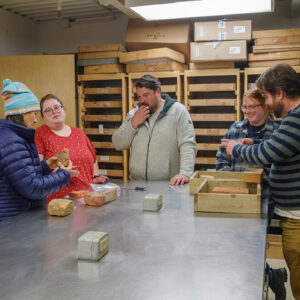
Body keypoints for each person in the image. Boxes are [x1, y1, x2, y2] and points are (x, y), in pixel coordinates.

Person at [220, 64, 300, 300]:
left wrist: (235, 149)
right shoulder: (292, 119)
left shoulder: (295, 119)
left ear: (280, 93)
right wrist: (253, 146)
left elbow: (267, 155)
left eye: (265, 96)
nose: (265, 102)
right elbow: (274, 150)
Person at [0, 79, 71, 221]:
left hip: (19, 217)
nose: (35, 120)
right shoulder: (11, 142)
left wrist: (44, 166)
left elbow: (20, 174)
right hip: (13, 222)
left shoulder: (14, 138)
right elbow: (33, 188)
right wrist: (64, 174)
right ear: (22, 113)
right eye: (34, 113)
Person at [112, 74, 197, 185]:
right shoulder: (134, 114)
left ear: (158, 91)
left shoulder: (178, 111)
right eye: (139, 96)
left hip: (169, 185)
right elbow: (118, 144)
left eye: (146, 95)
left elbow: (188, 144)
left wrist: (185, 173)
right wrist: (133, 124)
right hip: (137, 184)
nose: (142, 100)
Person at [35, 94, 108, 202]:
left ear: (63, 109)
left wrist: (95, 177)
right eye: (48, 110)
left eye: (56, 107)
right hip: (59, 200)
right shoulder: (40, 134)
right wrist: (62, 174)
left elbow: (93, 160)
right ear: (42, 116)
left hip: (87, 196)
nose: (54, 112)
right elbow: (38, 170)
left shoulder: (79, 133)